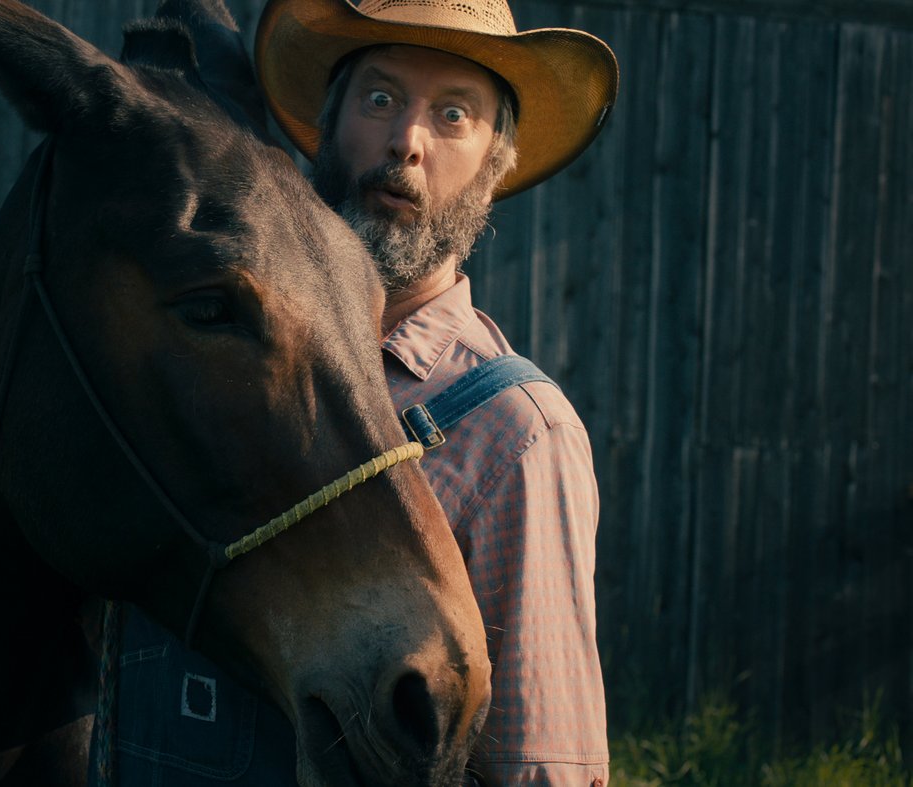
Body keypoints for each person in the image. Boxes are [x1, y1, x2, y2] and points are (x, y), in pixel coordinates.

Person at [98, 0, 618, 784]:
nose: (406, 142)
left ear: (493, 166)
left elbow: (544, 771)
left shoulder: (517, 435)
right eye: (380, 100)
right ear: (328, 123)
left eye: (452, 115)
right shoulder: (218, 356)